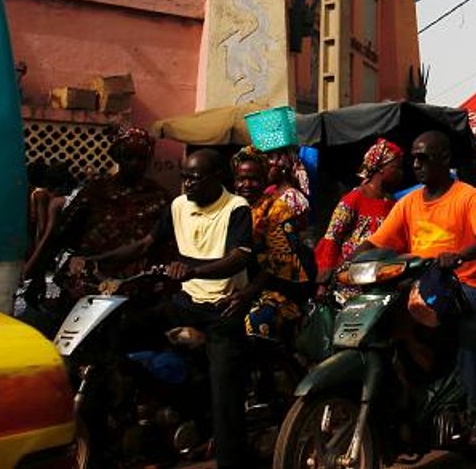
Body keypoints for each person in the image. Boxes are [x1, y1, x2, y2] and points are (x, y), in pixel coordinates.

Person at [70, 149, 255, 469]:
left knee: (224, 392)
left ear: (216, 179)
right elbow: (144, 245)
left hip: (220, 309)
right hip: (183, 303)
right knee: (121, 329)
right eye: (183, 178)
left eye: (194, 179)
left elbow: (239, 257)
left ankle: (230, 459)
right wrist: (95, 260)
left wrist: (192, 270)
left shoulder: (236, 209)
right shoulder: (178, 206)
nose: (186, 185)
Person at [353, 130, 476, 445]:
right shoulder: (408, 203)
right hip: (415, 285)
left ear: (445, 159)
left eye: (424, 158)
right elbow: (376, 242)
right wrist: (345, 264)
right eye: (414, 159)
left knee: (465, 325)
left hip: (463, 284)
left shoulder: (469, 196)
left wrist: (459, 255)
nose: (417, 165)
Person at [23, 126, 170, 301]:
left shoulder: (159, 197)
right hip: (89, 280)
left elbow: (166, 242)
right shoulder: (95, 191)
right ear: (117, 157)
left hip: (137, 284)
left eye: (141, 158)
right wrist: (38, 275)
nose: (135, 164)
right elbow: (61, 234)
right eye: (129, 157)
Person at [230, 148, 315, 342]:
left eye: (254, 179)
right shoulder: (231, 207)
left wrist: (247, 293)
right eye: (241, 179)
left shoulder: (277, 209)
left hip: (275, 288)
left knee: (255, 324)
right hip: (237, 285)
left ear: (264, 180)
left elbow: (281, 260)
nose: (246, 185)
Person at [313, 138, 404, 281]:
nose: (401, 173)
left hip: (380, 277)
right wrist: (326, 271)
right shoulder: (354, 198)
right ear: (380, 167)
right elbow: (332, 237)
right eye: (396, 168)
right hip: (349, 277)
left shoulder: (394, 203)